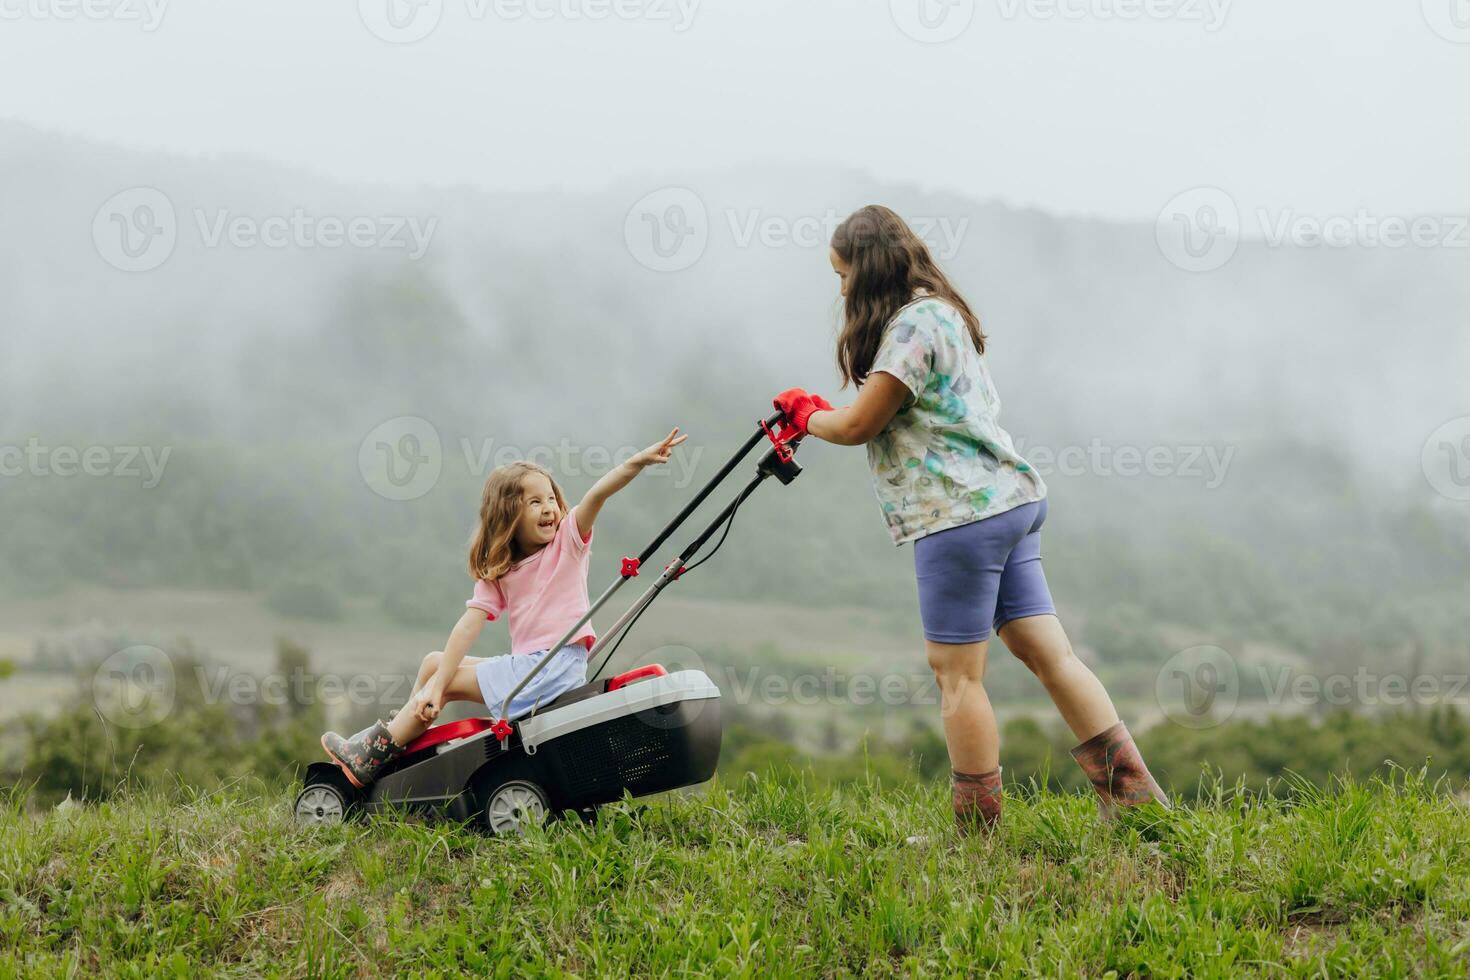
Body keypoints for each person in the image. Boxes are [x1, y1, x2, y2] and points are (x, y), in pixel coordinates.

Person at [773, 205, 1168, 833]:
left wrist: (804, 415)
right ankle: (1138, 803)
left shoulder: (907, 329)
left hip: (957, 517)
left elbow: (856, 425)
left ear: (867, 270)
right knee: (1050, 653)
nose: (841, 288)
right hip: (1011, 501)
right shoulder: (942, 311)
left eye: (842, 274)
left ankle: (976, 836)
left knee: (956, 675)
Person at [320, 428, 688, 788]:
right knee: (435, 663)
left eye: (551, 500)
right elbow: (468, 625)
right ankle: (403, 736)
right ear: (509, 516)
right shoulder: (502, 568)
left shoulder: (568, 543)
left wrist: (638, 462)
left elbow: (597, 494)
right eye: (534, 503)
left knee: (442, 682)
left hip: (551, 669)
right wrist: (435, 686)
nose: (549, 510)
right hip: (533, 667)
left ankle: (373, 756)